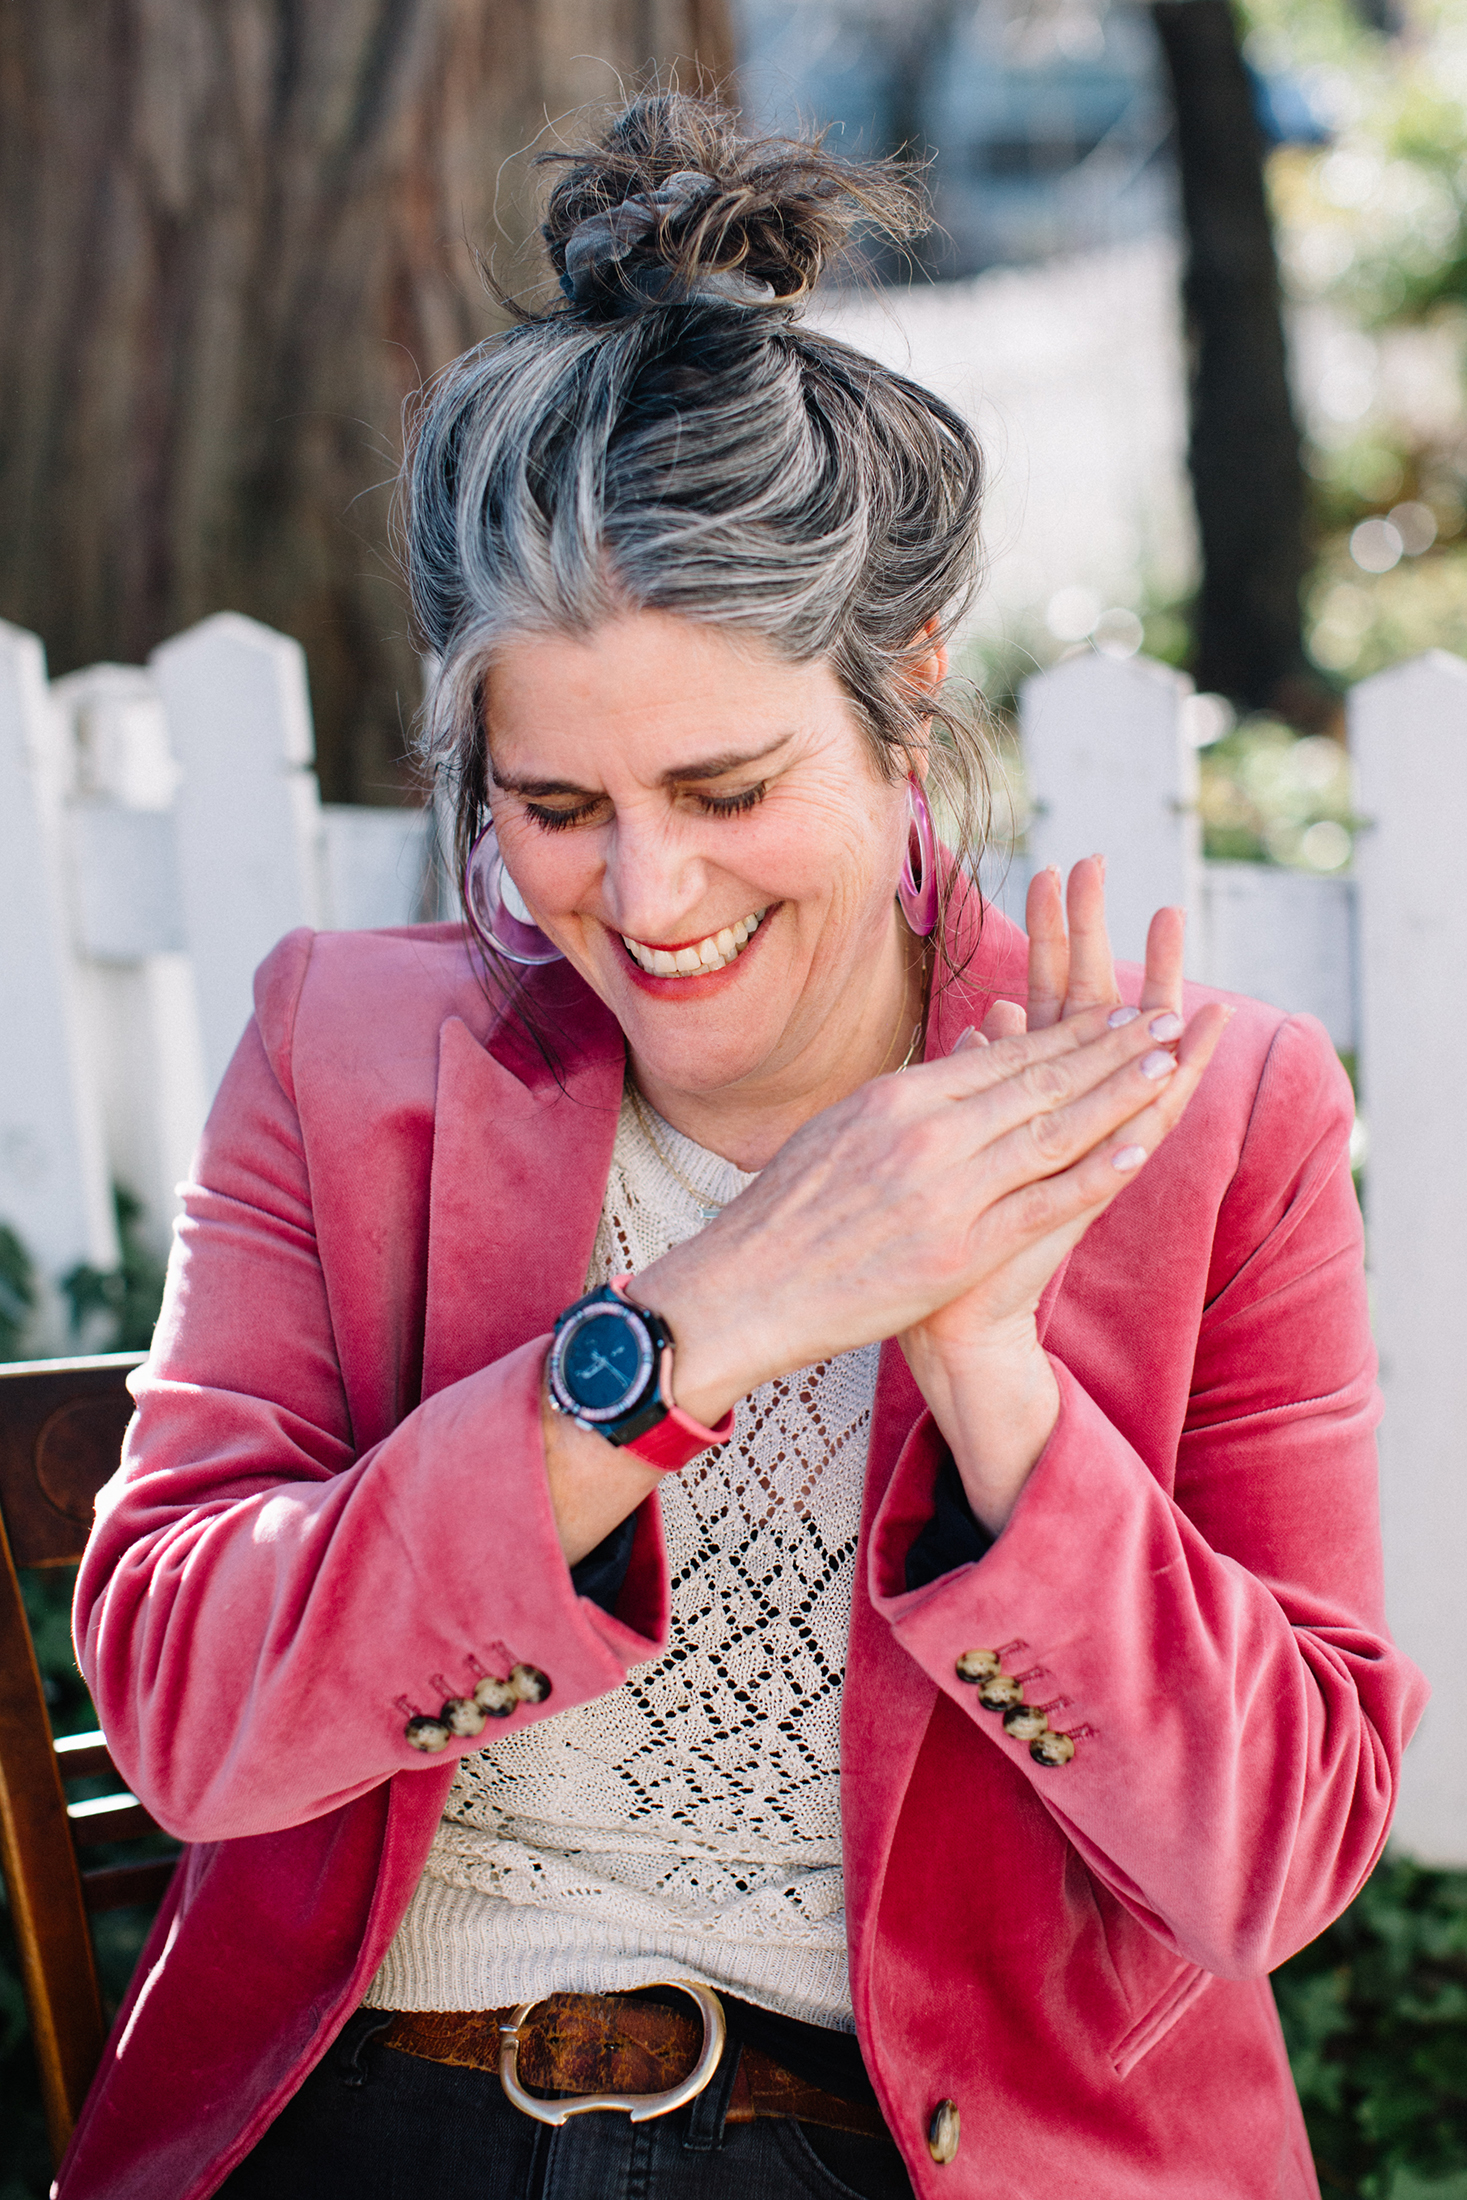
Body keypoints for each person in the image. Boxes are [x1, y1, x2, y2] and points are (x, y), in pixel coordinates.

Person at [62, 93, 1425, 2200]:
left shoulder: (1205, 1122)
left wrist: (994, 1383)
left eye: (722, 788)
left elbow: (1270, 1859)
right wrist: (694, 1328)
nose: (648, 895)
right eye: (555, 807)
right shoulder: (344, 1056)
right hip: (385, 2116)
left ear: (905, 687)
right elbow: (180, 1707)